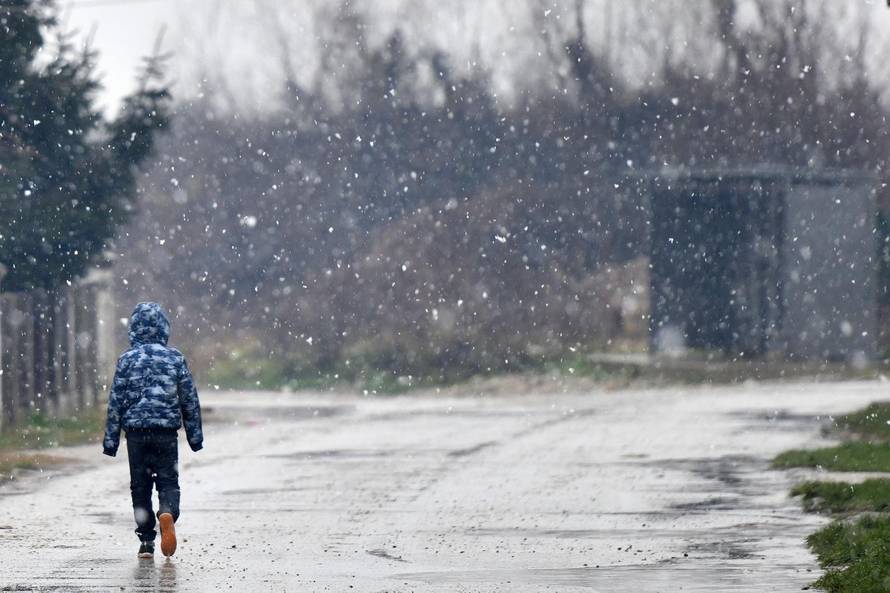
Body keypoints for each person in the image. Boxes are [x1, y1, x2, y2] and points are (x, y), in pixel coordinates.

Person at [102, 302, 204, 559]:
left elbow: (116, 401)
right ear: (164, 328)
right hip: (166, 434)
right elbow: (189, 399)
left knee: (140, 486)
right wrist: (194, 436)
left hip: (136, 434)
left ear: (134, 329)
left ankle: (146, 540)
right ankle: (167, 512)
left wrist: (111, 440)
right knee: (168, 481)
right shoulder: (174, 358)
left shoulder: (126, 360)